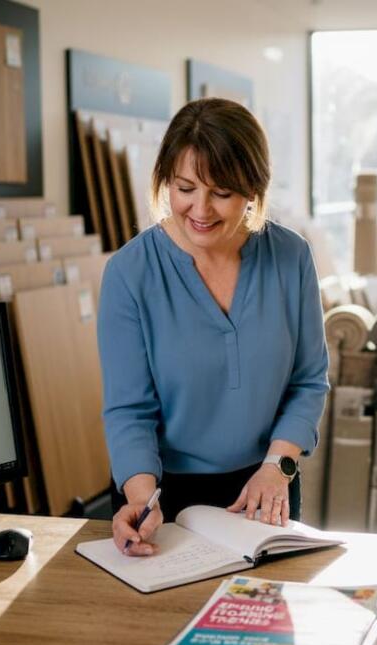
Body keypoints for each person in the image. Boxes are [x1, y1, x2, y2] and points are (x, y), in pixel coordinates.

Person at [97, 98, 329, 556]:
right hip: (164, 493)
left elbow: (308, 380)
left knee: (262, 622)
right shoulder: (130, 272)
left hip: (266, 485)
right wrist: (142, 500)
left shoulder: (290, 257)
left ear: (252, 189)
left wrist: (278, 467)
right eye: (185, 188)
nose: (200, 209)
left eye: (221, 192)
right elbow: (129, 410)